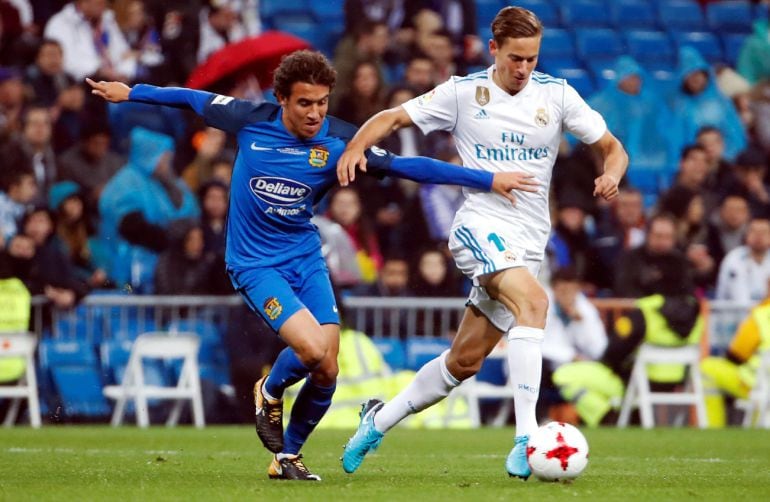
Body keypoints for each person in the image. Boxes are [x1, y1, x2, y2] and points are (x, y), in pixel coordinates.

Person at [87, 49, 533, 481]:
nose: (315, 112)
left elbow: (407, 166)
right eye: (304, 103)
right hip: (255, 263)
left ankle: (287, 455)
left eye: (322, 102)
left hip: (304, 257)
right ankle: (269, 391)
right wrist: (132, 92)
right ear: (282, 99)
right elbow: (188, 97)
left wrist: (487, 179)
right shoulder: (249, 119)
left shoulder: (340, 140)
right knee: (312, 349)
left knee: (329, 368)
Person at [337, 6, 627, 479]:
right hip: (478, 224)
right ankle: (526, 437)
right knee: (535, 302)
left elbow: (612, 147)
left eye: (532, 59)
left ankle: (377, 421)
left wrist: (611, 175)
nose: (523, 69)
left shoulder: (556, 95)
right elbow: (391, 118)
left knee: (463, 362)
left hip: (528, 241)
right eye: (515, 58)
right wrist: (355, 147)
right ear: (494, 49)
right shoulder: (463, 93)